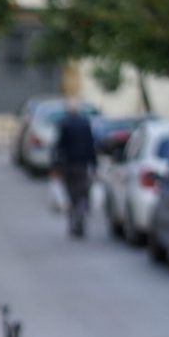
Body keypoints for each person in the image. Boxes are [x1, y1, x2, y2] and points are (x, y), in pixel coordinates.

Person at [54, 99, 98, 237]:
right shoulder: (85, 124)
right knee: (82, 192)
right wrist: (94, 164)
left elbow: (59, 147)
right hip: (82, 165)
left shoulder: (64, 124)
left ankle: (74, 218)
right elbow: (91, 145)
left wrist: (56, 165)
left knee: (71, 193)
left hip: (68, 165)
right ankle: (80, 215)